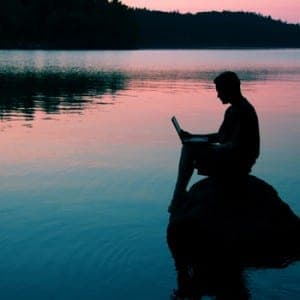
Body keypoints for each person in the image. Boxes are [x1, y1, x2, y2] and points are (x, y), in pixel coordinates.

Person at [168, 71, 260, 213]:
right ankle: (179, 194)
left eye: (219, 91)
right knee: (189, 146)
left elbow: (237, 147)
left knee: (188, 150)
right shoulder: (233, 109)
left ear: (229, 89)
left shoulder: (242, 111)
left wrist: (207, 148)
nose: (218, 95)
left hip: (238, 164)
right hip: (233, 158)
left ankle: (178, 196)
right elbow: (220, 137)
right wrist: (193, 137)